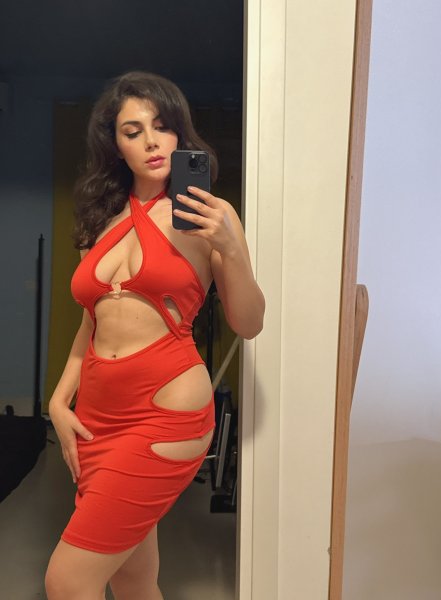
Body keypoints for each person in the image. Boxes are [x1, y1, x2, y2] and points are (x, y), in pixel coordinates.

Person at [45, 71, 264, 600]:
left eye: (162, 127)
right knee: (134, 578)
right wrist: (57, 399)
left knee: (67, 582)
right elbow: (92, 322)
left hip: (164, 413)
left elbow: (249, 323)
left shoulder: (209, 217)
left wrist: (231, 248)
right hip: (97, 418)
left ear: (180, 134)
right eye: (133, 131)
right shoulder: (99, 219)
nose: (150, 141)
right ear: (116, 145)